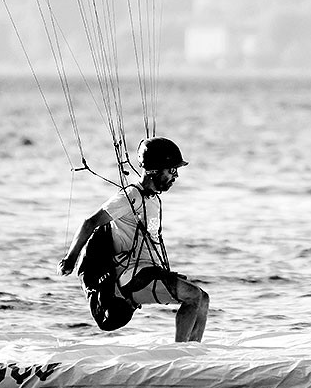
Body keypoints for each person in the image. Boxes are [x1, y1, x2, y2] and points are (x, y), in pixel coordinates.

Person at [58, 137, 209, 342]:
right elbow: (90, 222)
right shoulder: (131, 196)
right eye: (172, 170)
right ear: (154, 170)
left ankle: (192, 352)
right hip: (132, 277)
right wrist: (70, 259)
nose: (176, 176)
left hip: (149, 272)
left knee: (203, 299)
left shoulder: (153, 199)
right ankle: (180, 353)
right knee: (193, 296)